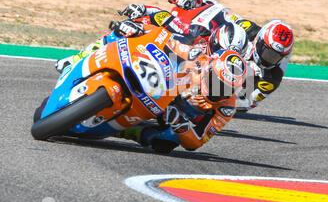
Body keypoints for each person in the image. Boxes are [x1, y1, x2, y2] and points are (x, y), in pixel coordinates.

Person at [55, 18, 248, 154]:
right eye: (217, 82)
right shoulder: (196, 56)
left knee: (167, 141)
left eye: (227, 88)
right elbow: (163, 38)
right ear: (210, 69)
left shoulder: (226, 108)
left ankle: (127, 131)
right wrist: (137, 29)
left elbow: (196, 142)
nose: (220, 90)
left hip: (166, 113)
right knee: (118, 34)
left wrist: (180, 124)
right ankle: (77, 60)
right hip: (157, 82)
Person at [119, 0, 295, 111]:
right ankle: (145, 17)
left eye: (275, 57)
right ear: (259, 40)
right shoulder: (248, 29)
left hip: (230, 84)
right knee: (193, 31)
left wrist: (224, 94)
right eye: (268, 52)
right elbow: (220, 12)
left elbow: (247, 104)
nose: (268, 59)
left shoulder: (272, 78)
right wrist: (196, 2)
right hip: (216, 55)